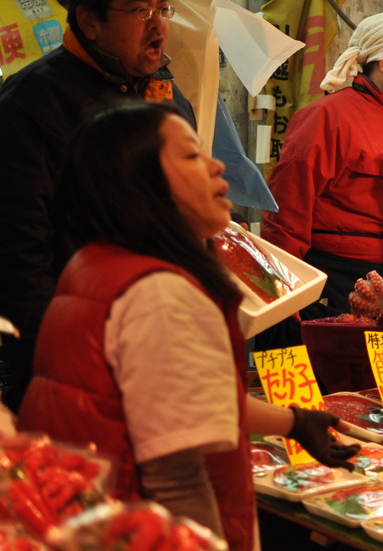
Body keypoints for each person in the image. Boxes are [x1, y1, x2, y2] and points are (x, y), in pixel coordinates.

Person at [17, 103, 357, 551]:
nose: (217, 165)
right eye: (192, 156)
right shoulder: (160, 294)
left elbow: (169, 401)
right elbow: (175, 476)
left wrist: (292, 422)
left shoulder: (94, 268)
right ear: (141, 183)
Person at [0, 0, 196, 413]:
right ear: (88, 22)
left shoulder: (164, 91)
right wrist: (67, 341)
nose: (158, 23)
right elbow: (17, 250)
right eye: (139, 10)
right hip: (75, 349)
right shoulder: (29, 103)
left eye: (162, 8)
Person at [260, 12, 383, 347]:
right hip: (323, 280)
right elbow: (286, 208)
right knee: (312, 393)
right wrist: (282, 286)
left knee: (371, 396)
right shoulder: (327, 117)